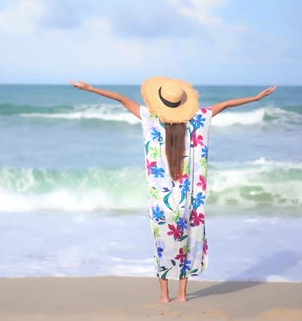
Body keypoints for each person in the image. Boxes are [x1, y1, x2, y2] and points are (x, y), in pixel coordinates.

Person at [70, 77, 277, 303]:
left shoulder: (151, 119)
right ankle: (182, 295)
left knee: (163, 247)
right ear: (182, 104)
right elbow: (226, 104)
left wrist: (90, 88)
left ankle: (164, 296)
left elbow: (121, 99)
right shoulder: (197, 119)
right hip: (189, 202)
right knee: (185, 245)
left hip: (161, 203)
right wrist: (256, 98)